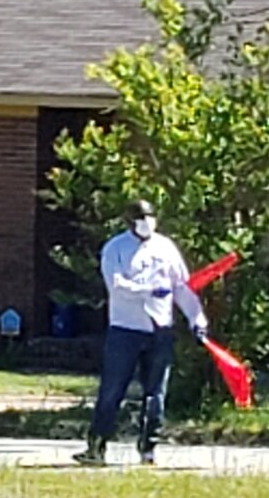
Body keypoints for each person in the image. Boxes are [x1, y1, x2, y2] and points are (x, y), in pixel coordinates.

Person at [73, 199, 208, 466]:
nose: (147, 222)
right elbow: (117, 285)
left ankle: (148, 449)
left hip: (160, 329)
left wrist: (197, 317)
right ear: (129, 222)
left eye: (150, 217)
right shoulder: (116, 249)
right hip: (126, 329)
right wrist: (146, 290)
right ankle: (97, 446)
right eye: (141, 218)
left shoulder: (165, 247)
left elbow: (181, 287)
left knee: (156, 392)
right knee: (113, 389)